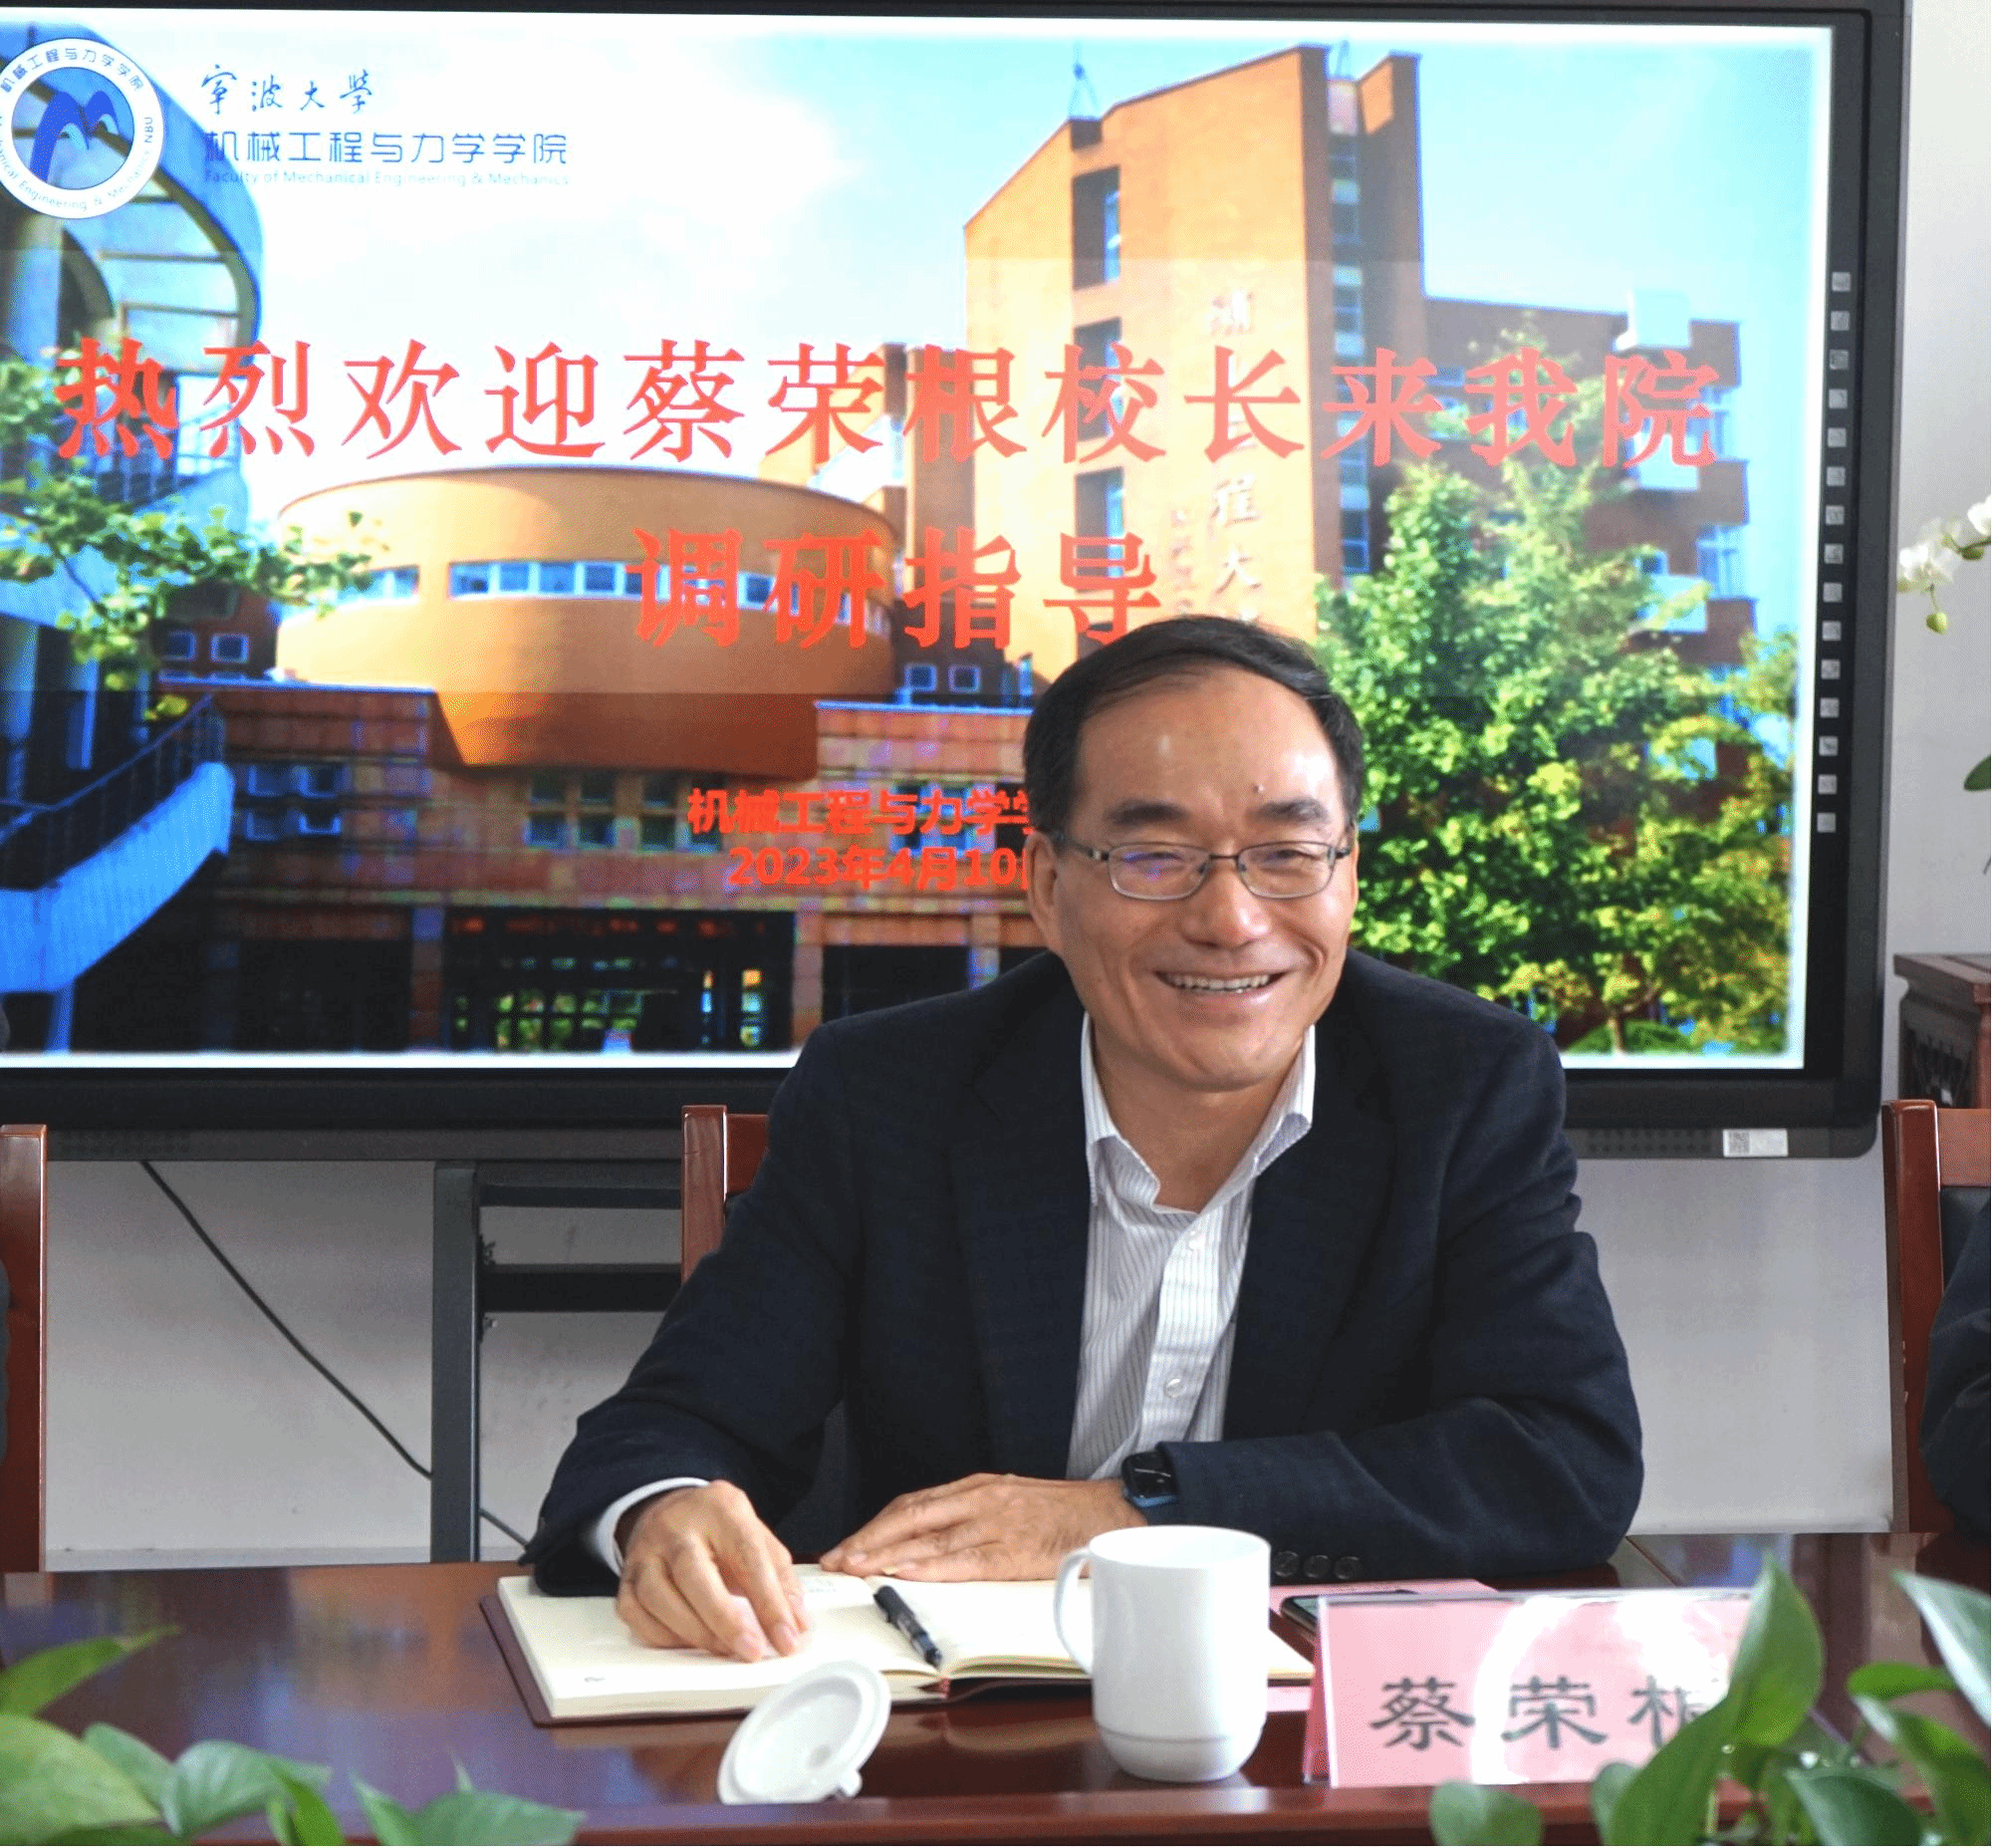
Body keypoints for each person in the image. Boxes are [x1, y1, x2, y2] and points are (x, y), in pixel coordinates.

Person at [526, 618, 1642, 1662]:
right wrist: (663, 1511)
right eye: (1153, 856)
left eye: (1287, 852)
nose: (1230, 918)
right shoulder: (888, 1095)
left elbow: (1560, 1459)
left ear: (1348, 874)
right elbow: (667, 1428)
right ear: (1048, 887)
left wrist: (1125, 1513)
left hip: (1308, 1727)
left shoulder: (1463, 1084)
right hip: (946, 1732)